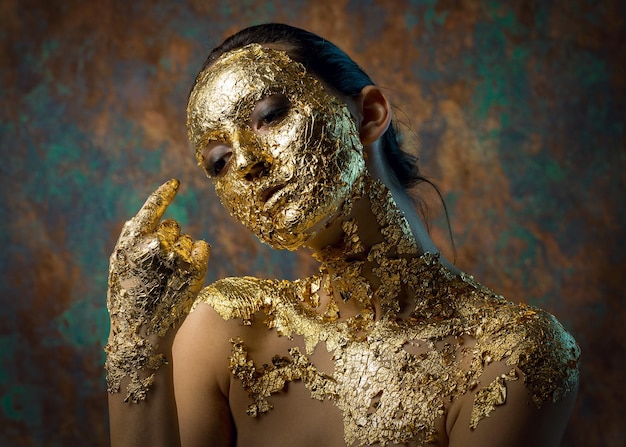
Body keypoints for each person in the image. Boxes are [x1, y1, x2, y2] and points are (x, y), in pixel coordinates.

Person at [105, 24, 580, 447]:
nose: (247, 163)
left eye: (270, 115)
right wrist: (137, 344)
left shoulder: (513, 355)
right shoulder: (226, 331)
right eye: (219, 161)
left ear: (369, 114)